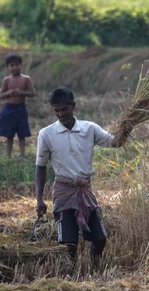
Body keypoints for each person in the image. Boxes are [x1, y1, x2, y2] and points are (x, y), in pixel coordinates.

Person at [35, 87, 131, 274]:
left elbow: (115, 142)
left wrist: (129, 124)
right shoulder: (46, 134)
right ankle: (69, 275)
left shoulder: (90, 129)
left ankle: (95, 269)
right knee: (68, 243)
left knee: (100, 239)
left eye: (64, 109)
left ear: (73, 106)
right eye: (56, 111)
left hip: (86, 191)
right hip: (63, 192)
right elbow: (40, 167)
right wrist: (39, 199)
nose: (60, 114)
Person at [0, 53, 35, 158]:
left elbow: (32, 93)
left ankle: (22, 155)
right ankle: (8, 155)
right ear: (8, 67)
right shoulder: (7, 80)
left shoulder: (26, 79)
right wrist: (9, 93)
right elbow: (0, 95)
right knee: (9, 135)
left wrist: (22, 92)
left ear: (21, 65)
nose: (15, 67)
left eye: (17, 65)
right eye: (12, 65)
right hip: (9, 109)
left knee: (22, 134)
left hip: (21, 108)